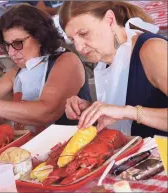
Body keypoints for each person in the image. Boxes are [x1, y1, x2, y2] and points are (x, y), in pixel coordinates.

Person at [0, 4, 91, 133]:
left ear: (40, 36)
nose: (12, 52)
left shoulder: (66, 61)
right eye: (7, 45)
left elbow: (47, 111)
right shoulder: (19, 69)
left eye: (18, 43)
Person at [60, 1, 168, 137]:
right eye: (72, 39)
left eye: (83, 33)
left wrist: (127, 112)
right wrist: (91, 109)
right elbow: (121, 110)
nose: (79, 48)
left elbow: (125, 111)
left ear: (110, 20)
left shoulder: (152, 49)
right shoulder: (104, 60)